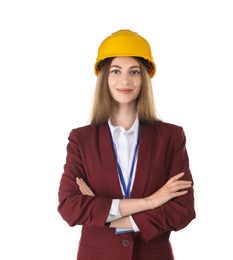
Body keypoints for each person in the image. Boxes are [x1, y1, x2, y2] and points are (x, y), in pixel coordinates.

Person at [57, 29, 196, 260]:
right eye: (115, 71)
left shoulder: (171, 137)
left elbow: (183, 210)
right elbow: (70, 206)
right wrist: (150, 202)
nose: (125, 80)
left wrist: (109, 216)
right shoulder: (81, 140)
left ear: (144, 78)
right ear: (104, 78)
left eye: (134, 72)